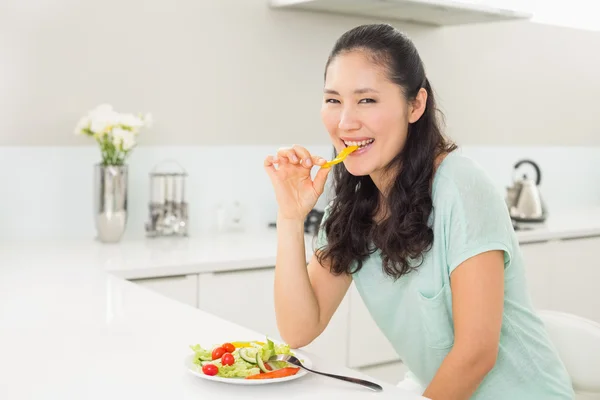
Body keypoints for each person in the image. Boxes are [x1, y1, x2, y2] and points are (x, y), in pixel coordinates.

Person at [263, 23, 573, 400]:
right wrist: (291, 216)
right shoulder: (352, 207)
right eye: (333, 100)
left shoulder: (460, 184)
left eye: (367, 100)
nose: (345, 121)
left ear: (416, 104)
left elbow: (476, 353)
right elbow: (299, 330)